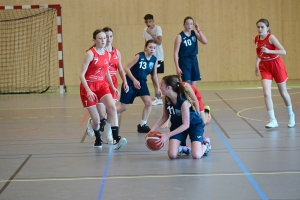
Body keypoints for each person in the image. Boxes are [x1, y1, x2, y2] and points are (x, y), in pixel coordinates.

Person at [79, 29, 127, 150]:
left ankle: (116, 138)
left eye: (104, 38)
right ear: (94, 40)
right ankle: (97, 138)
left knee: (112, 107)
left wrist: (112, 87)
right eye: (100, 38)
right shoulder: (90, 54)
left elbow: (106, 73)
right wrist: (88, 90)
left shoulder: (107, 53)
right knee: (97, 121)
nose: (103, 40)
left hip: (102, 85)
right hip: (89, 86)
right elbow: (81, 75)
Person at [146, 75, 210, 159]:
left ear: (168, 88)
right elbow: (164, 116)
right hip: (178, 125)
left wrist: (167, 135)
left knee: (196, 155)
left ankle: (205, 144)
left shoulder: (183, 101)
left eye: (161, 85)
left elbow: (186, 125)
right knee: (172, 155)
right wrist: (152, 130)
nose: (160, 87)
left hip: (193, 125)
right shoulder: (165, 98)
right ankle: (184, 148)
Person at [254, 18, 295, 128]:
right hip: (265, 66)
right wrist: (256, 65)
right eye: (258, 27)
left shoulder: (271, 37)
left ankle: (291, 115)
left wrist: (269, 51)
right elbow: (259, 53)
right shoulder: (256, 39)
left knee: (283, 93)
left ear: (267, 28)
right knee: (267, 93)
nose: (260, 29)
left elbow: (283, 51)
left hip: (276, 65)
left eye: (262, 27)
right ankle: (273, 120)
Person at [117, 39, 161, 133]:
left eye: (154, 47)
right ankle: (105, 116)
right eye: (150, 47)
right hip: (130, 81)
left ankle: (142, 125)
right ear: (145, 48)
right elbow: (126, 68)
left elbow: (154, 76)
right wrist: (134, 80)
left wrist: (158, 88)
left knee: (149, 103)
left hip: (142, 83)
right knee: (123, 107)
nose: (152, 49)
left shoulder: (154, 60)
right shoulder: (139, 56)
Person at [174, 16, 207, 87]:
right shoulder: (179, 36)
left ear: (193, 25)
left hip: (193, 60)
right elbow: (175, 53)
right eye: (187, 24)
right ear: (184, 25)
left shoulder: (194, 33)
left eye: (191, 24)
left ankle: (192, 98)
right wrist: (177, 67)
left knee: (193, 86)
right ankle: (185, 98)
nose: (189, 26)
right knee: (186, 85)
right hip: (184, 61)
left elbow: (205, 41)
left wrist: (198, 30)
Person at [142, 14, 164, 106]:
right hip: (149, 56)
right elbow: (146, 43)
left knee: (155, 76)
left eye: (150, 21)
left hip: (157, 56)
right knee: (152, 76)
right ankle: (157, 96)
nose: (148, 23)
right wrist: (144, 52)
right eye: (146, 21)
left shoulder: (157, 29)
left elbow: (159, 42)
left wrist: (151, 33)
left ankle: (159, 97)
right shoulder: (144, 30)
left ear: (153, 21)